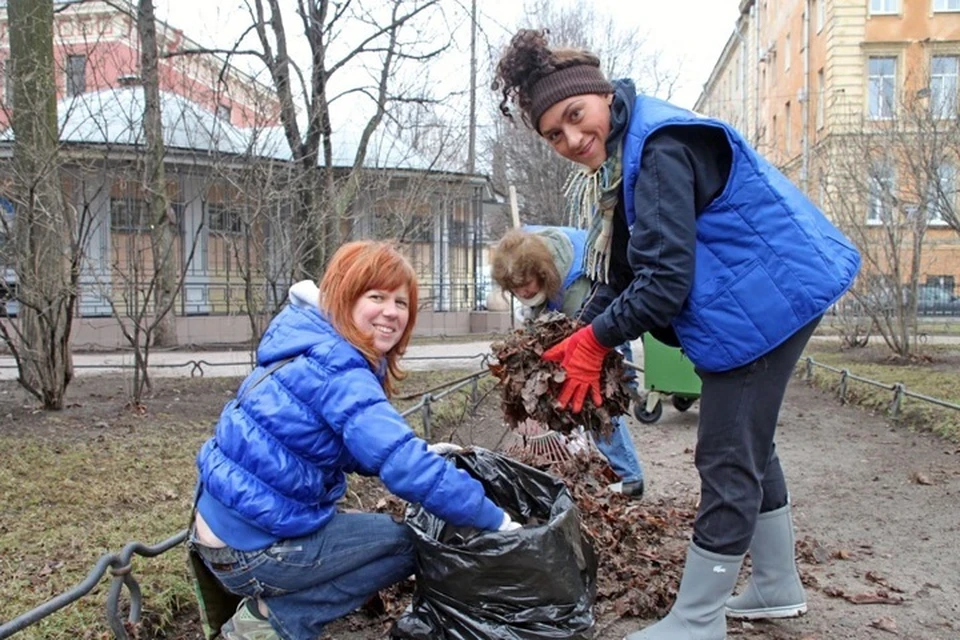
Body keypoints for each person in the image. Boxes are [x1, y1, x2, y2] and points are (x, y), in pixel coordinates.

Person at [492, 30, 860, 639]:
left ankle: (697, 620)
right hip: (762, 291)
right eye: (554, 134)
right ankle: (774, 585)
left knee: (725, 454)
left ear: (601, 96)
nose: (572, 139)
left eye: (576, 117)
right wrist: (581, 327)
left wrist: (595, 342)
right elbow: (627, 265)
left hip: (771, 296)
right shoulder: (623, 156)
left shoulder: (657, 149)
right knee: (748, 445)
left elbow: (664, 283)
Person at [189, 241, 521, 640]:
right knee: (410, 545)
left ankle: (268, 611)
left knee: (383, 533)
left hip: (220, 531)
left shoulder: (309, 341)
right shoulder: (338, 367)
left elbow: (331, 439)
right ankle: (269, 622)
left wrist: (421, 453)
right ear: (345, 298)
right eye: (376, 297)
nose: (391, 312)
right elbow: (404, 467)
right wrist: (495, 520)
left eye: (401, 302)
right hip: (252, 549)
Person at [491, 225, 645, 498]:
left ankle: (629, 478)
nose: (522, 292)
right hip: (583, 319)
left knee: (595, 400)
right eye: (515, 289)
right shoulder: (520, 251)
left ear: (543, 273)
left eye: (526, 285)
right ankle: (594, 463)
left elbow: (580, 330)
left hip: (603, 324)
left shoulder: (576, 283)